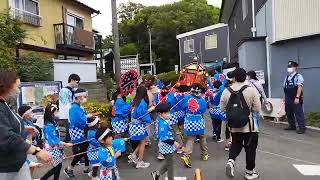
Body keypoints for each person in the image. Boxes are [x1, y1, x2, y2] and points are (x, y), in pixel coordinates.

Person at [0, 70, 51, 180]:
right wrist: (36, 151)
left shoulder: (4, 104)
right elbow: (6, 137)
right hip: (5, 167)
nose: (18, 91)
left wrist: (24, 127)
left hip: (17, 163)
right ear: (5, 86)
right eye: (17, 87)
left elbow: (8, 124)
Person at [220, 68, 261, 180]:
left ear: (233, 78)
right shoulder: (251, 90)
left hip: (234, 126)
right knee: (250, 149)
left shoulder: (226, 91)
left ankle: (231, 160)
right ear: (245, 77)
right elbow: (257, 108)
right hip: (249, 126)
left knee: (236, 145)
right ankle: (249, 172)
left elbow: (222, 109)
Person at [64, 88, 95, 178]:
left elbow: (80, 118)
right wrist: (86, 117)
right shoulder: (74, 108)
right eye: (84, 96)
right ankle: (69, 169)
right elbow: (77, 121)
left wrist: (85, 117)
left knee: (84, 149)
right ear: (79, 97)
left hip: (80, 131)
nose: (85, 98)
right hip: (77, 132)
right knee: (81, 151)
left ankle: (86, 167)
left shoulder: (77, 106)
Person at [181, 83, 208, 168]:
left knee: (190, 139)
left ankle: (186, 156)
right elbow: (203, 110)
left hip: (189, 120)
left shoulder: (186, 97)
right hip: (199, 120)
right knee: (202, 137)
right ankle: (205, 154)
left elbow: (183, 107)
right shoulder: (202, 101)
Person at [42, 103, 73, 180]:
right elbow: (53, 139)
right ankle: (43, 178)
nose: (57, 113)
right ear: (51, 113)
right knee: (57, 166)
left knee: (58, 166)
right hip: (52, 147)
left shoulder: (52, 122)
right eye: (56, 111)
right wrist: (65, 144)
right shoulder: (48, 125)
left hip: (55, 147)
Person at [128, 86, 153, 168]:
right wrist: (149, 115)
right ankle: (140, 161)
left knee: (142, 141)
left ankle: (134, 155)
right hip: (138, 126)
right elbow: (143, 115)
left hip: (133, 125)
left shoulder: (135, 101)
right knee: (143, 142)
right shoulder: (142, 103)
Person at [151, 103, 176, 180]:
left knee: (169, 162)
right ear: (159, 114)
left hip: (166, 144)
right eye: (166, 113)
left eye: (168, 112)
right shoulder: (162, 123)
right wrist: (174, 142)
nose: (168, 114)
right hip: (166, 144)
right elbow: (163, 138)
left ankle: (157, 173)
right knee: (170, 165)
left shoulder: (161, 120)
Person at [283, 61, 306, 134]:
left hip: (295, 98)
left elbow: (300, 87)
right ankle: (292, 125)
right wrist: (284, 97)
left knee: (298, 113)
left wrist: (297, 97)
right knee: (288, 112)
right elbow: (285, 88)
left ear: (295, 67)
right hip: (288, 98)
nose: (289, 68)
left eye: (291, 67)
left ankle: (302, 127)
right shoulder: (287, 77)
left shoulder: (298, 76)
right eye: (288, 67)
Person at [58, 74, 80, 142]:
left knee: (69, 134)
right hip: (66, 115)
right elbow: (66, 105)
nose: (77, 84)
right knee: (68, 135)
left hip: (70, 115)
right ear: (72, 80)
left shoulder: (72, 90)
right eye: (77, 82)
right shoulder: (64, 90)